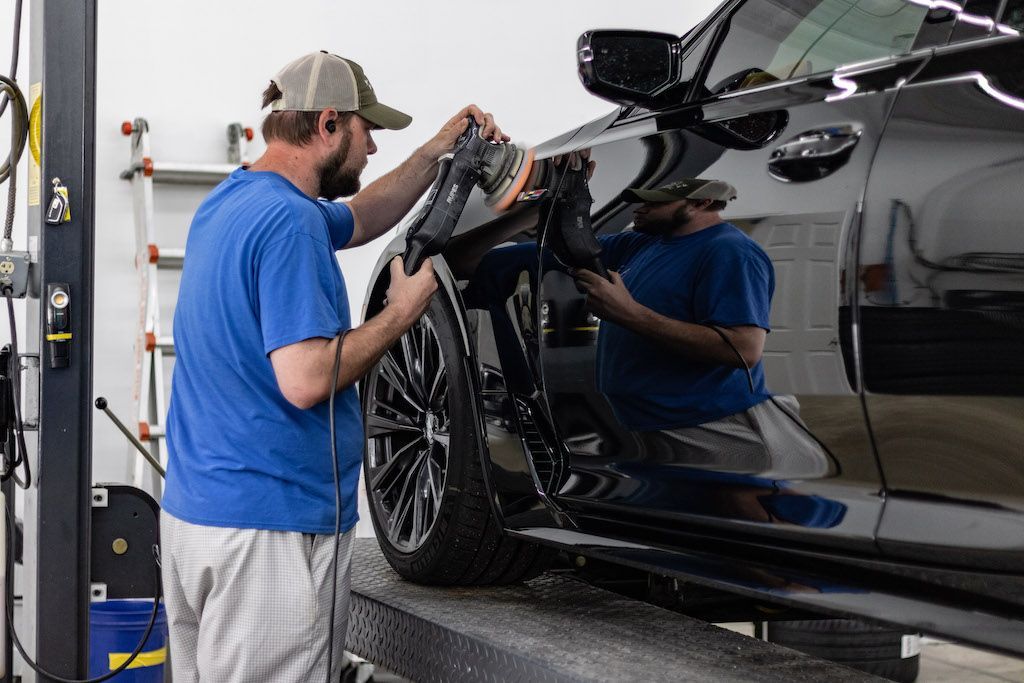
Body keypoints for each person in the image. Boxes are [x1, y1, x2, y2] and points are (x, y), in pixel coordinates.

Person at [159, 51, 506, 681]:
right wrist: (400, 314)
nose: (372, 146)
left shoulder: (235, 201)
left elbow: (362, 216)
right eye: (365, 129)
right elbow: (306, 378)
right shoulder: (290, 225)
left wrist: (434, 154)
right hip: (270, 534)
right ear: (327, 124)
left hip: (200, 521)